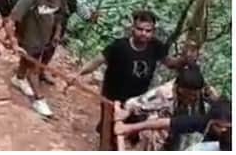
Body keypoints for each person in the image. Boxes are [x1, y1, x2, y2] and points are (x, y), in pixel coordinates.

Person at [69, 9, 192, 147]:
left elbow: (169, 63)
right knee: (109, 132)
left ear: (153, 31)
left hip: (138, 101)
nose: (144, 33)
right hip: (112, 98)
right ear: (132, 28)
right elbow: (96, 61)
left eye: (148, 31)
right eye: (140, 29)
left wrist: (184, 59)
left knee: (132, 133)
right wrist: (78, 74)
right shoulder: (119, 46)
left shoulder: (155, 46)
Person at [9, 0, 68, 118]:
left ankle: (19, 78)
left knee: (30, 62)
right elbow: (11, 20)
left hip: (45, 38)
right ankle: (39, 100)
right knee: (33, 69)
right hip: (28, 38)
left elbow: (60, 15)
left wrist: (57, 33)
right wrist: (14, 42)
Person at [121, 64, 220, 150]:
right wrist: (125, 117)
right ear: (181, 90)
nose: (193, 99)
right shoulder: (163, 94)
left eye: (195, 96)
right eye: (191, 96)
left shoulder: (199, 92)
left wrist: (214, 98)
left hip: (174, 127)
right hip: (150, 127)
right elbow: (133, 104)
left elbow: (219, 105)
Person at [116, 98, 231, 152]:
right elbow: (165, 122)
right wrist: (129, 128)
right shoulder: (200, 122)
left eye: (229, 128)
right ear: (210, 121)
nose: (224, 131)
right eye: (220, 126)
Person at [38, 0, 100, 85]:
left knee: (50, 50)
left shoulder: (76, 3)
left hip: (59, 26)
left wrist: (94, 15)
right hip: (45, 24)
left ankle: (41, 71)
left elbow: (88, 17)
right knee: (37, 47)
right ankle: (28, 69)